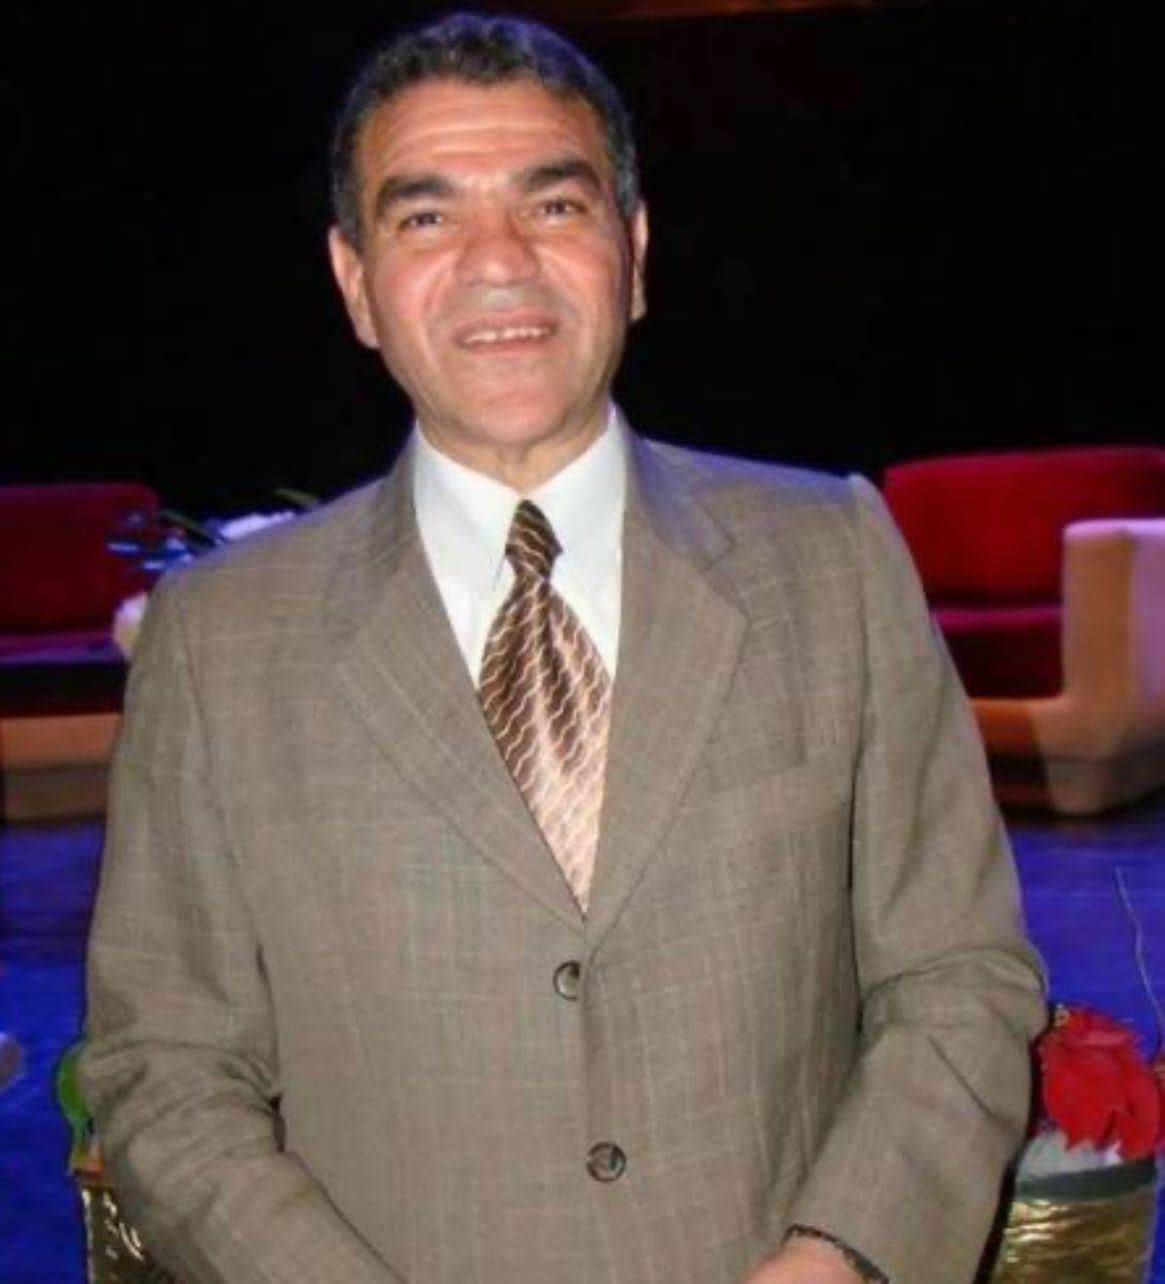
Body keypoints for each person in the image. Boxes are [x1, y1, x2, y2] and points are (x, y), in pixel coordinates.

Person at [80, 13, 1045, 1284]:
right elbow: (164, 1064)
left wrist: (845, 1256)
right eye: (427, 216)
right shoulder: (221, 639)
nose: (498, 262)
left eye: (552, 204)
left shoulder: (833, 561)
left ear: (632, 254)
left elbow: (958, 972)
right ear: (355, 283)